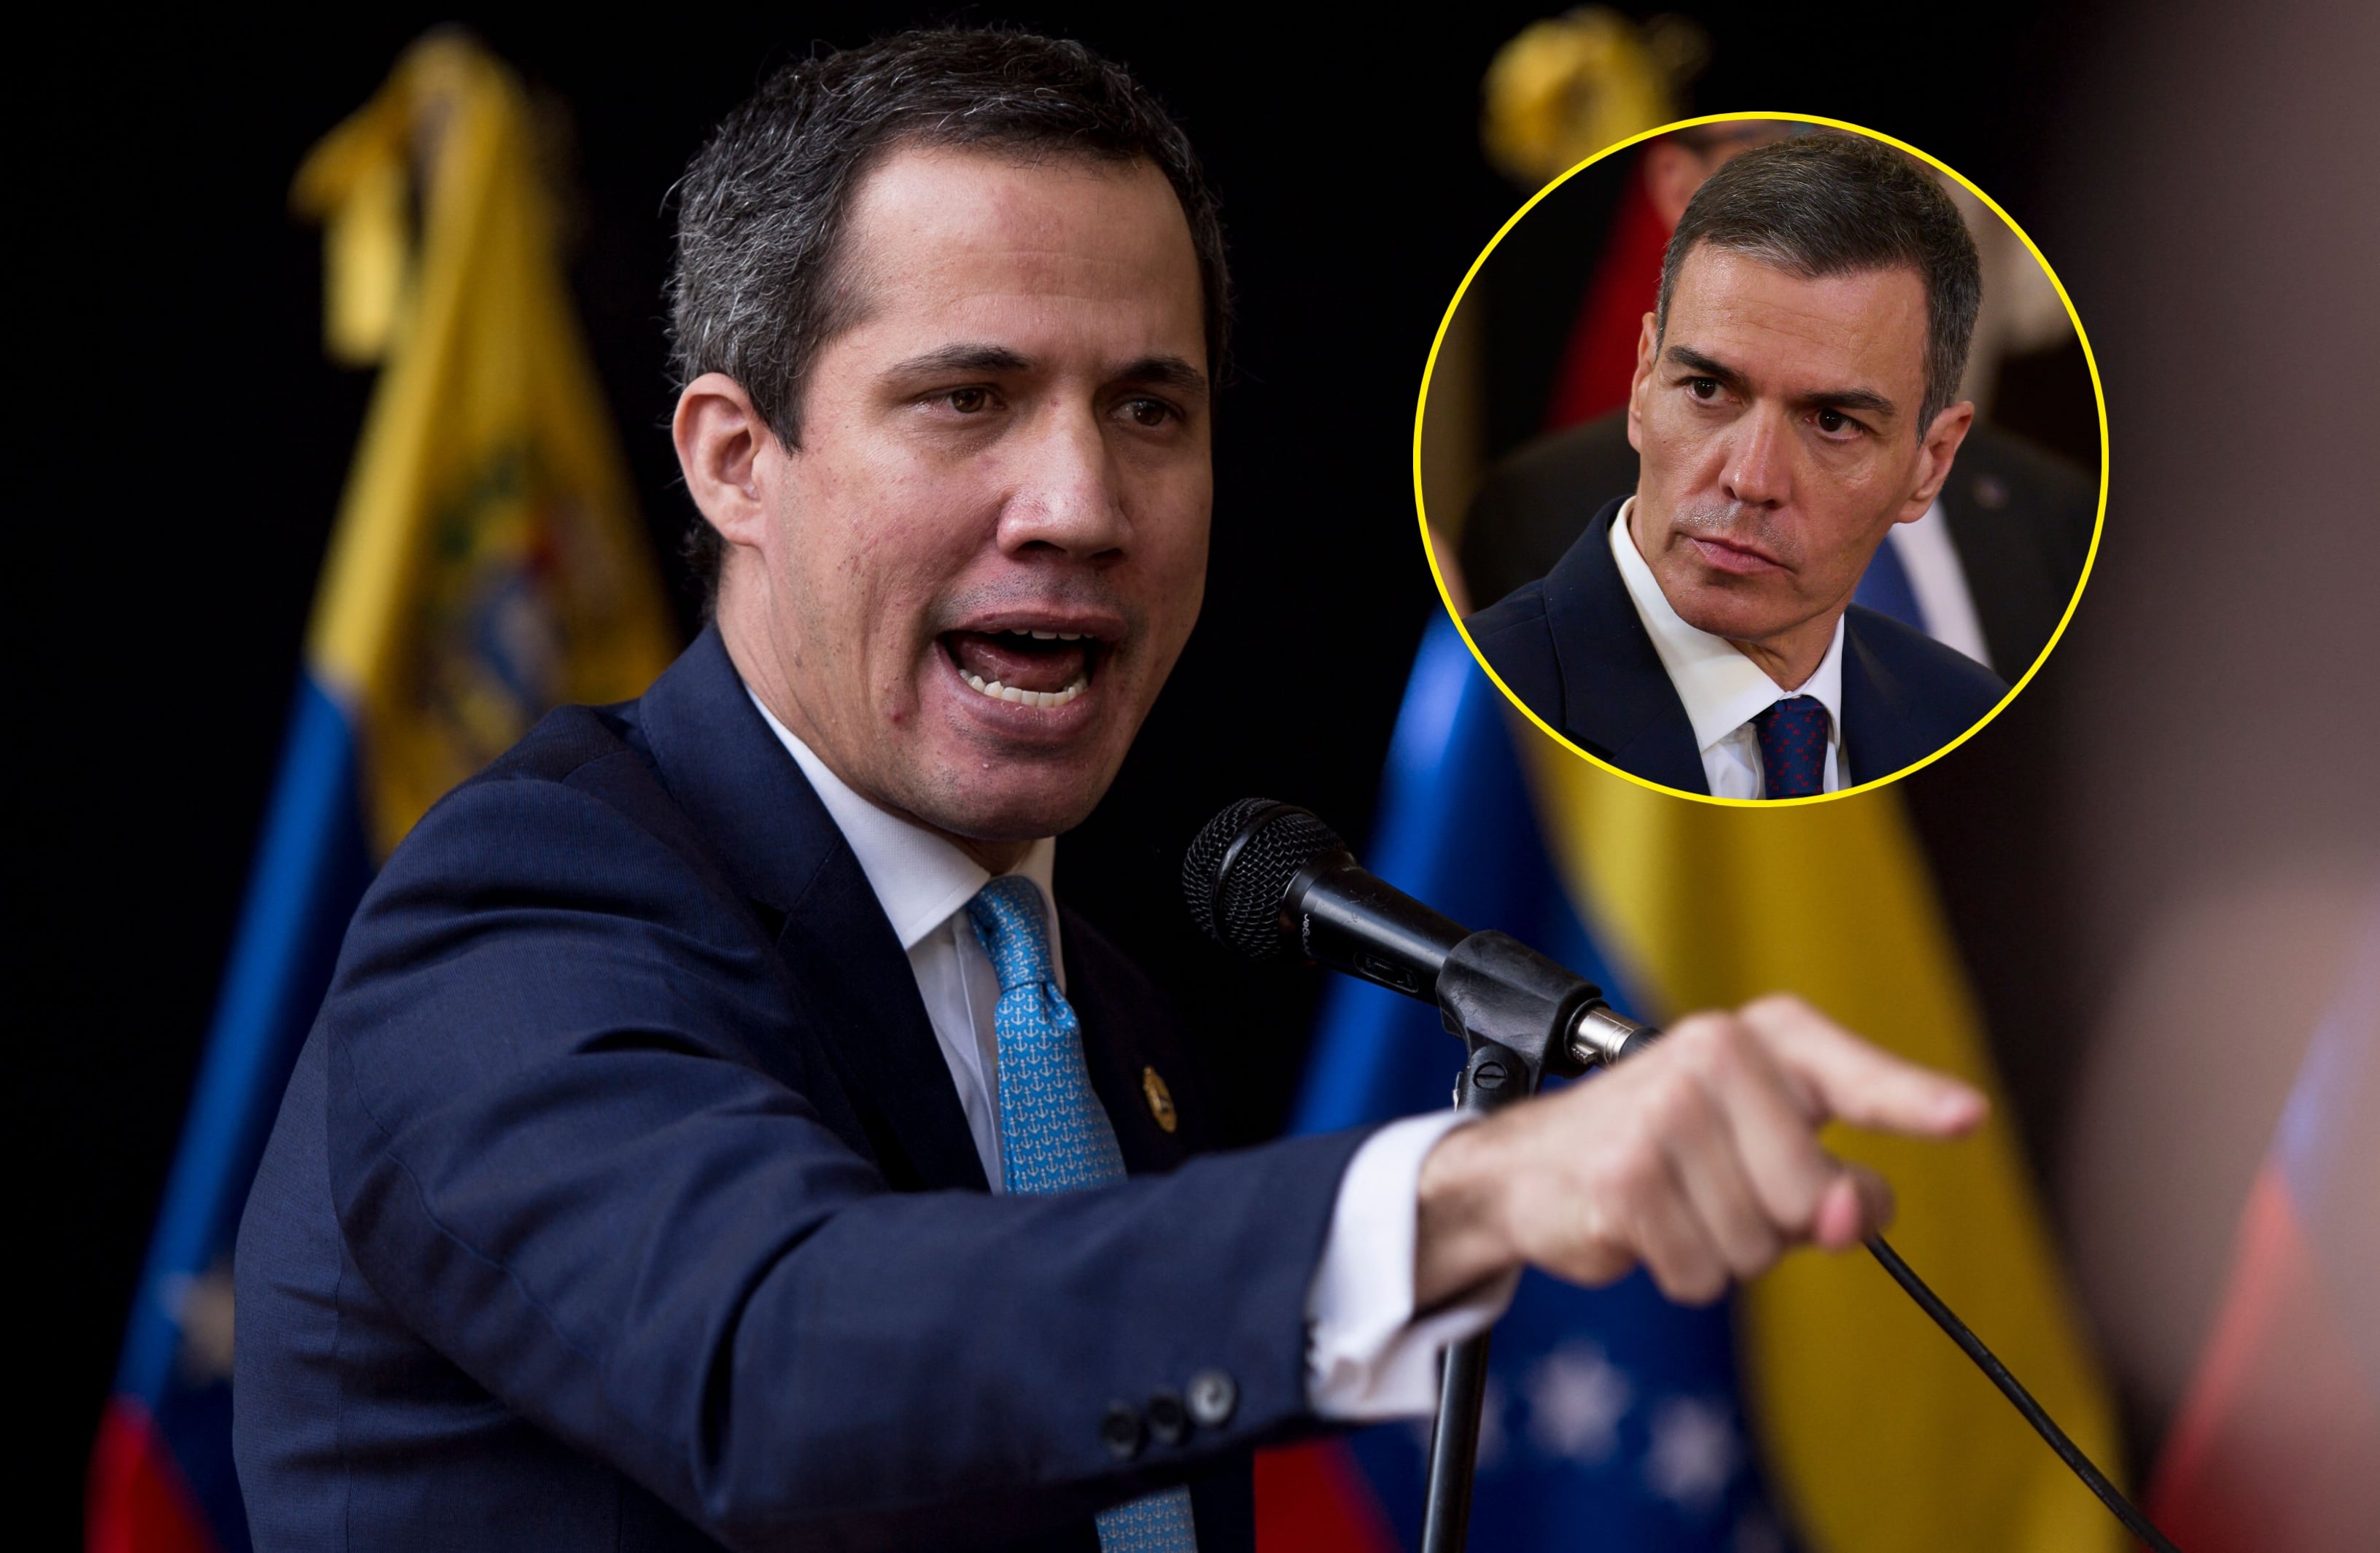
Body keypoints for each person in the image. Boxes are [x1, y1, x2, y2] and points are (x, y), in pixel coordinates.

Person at [233, 33, 1988, 1552]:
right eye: (968, 397)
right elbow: (778, 1363)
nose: (1078, 501)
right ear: (735, 460)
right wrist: (1458, 1193)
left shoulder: (1094, 1023)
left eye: (1151, 408)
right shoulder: (524, 912)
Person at [1466, 133, 2012, 798]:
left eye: (1834, 423)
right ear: (1643, 382)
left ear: (1931, 464)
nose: (1751, 480)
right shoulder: (1482, 710)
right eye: (1707, 389)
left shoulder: (1974, 724)